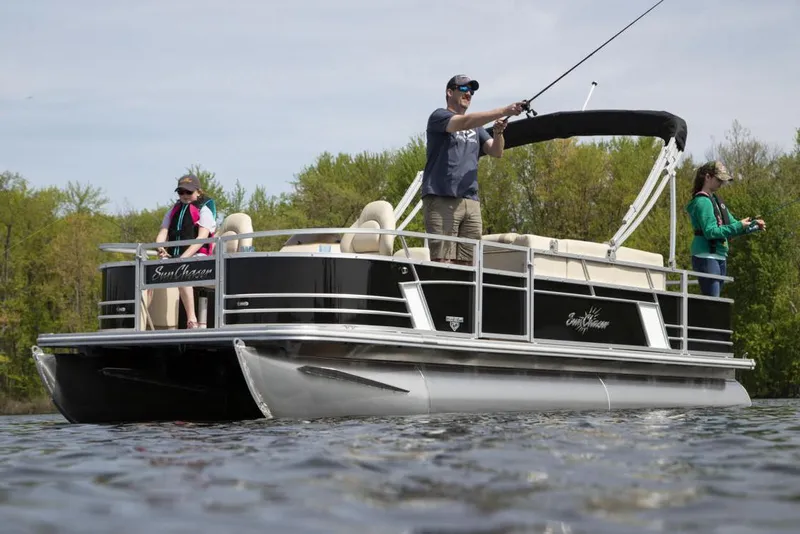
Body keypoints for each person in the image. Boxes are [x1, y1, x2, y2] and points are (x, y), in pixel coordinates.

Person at [421, 74, 525, 264]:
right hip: (442, 198)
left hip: (471, 202)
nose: (468, 93)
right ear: (449, 92)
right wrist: (503, 110)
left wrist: (498, 132)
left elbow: (496, 151)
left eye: (471, 91)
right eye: (463, 89)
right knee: (443, 261)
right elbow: (465, 122)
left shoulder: (477, 129)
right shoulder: (439, 117)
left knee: (469, 263)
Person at [686, 161, 765, 297]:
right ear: (707, 177)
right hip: (706, 256)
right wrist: (739, 225)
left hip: (720, 256)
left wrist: (753, 226)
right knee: (712, 302)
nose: (721, 183)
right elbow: (711, 232)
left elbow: (733, 226)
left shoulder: (716, 201)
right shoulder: (702, 202)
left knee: (715, 301)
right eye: (719, 179)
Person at [154, 174, 217, 329]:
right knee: (149, 272)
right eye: (181, 192)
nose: (184, 196)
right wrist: (160, 247)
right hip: (177, 256)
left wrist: (182, 258)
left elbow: (202, 238)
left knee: (182, 272)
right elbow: (163, 231)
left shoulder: (204, 210)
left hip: (199, 257)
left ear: (198, 192)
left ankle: (192, 320)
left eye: (188, 192)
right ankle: (147, 322)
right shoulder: (174, 210)